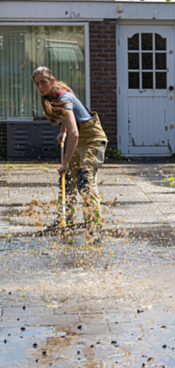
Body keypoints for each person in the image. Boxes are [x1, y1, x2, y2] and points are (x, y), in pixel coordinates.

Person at [32, 66, 107, 239]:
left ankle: (94, 226)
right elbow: (70, 121)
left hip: (92, 139)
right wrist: (63, 131)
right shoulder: (59, 92)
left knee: (84, 178)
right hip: (79, 138)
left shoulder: (64, 97)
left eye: (43, 82)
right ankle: (64, 219)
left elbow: (75, 133)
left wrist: (65, 162)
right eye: (37, 84)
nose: (40, 87)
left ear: (51, 81)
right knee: (67, 179)